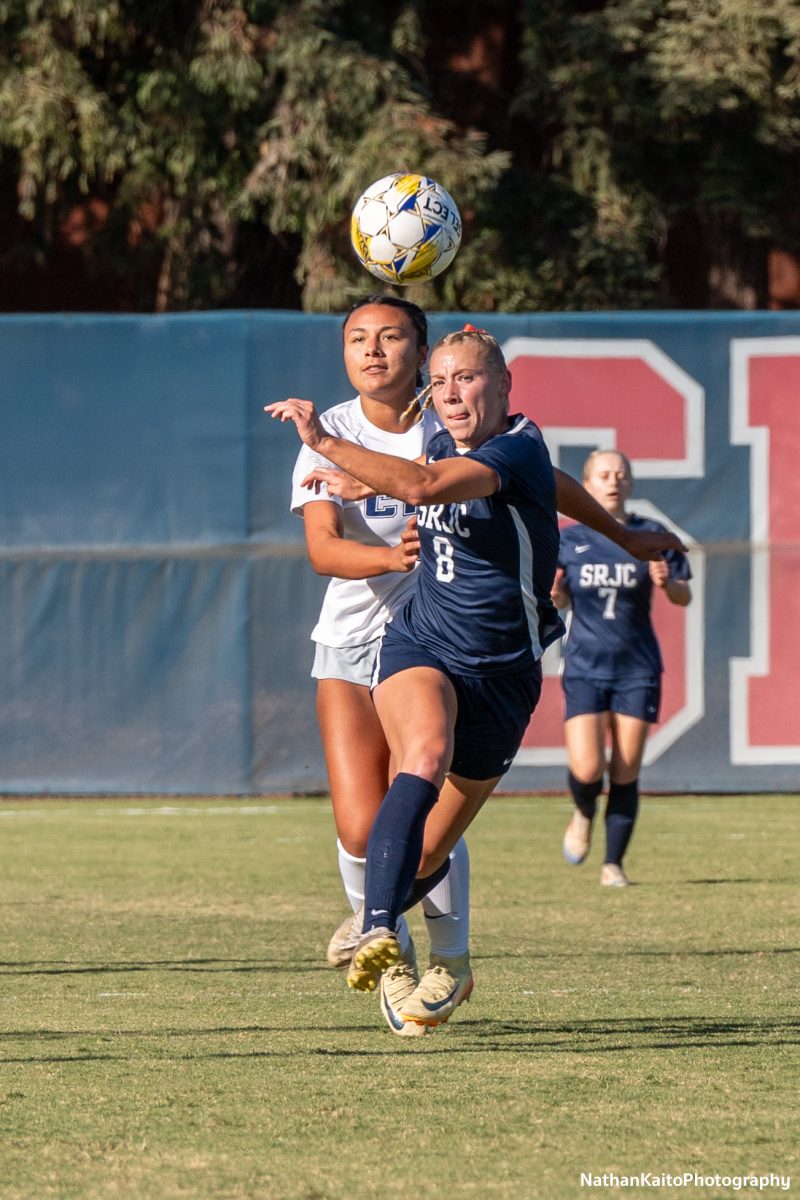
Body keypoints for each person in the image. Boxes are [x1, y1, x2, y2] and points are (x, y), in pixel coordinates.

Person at [267, 328, 686, 1028]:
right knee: (424, 754)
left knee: (430, 848)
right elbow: (439, 485)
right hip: (421, 641)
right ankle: (377, 928)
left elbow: (452, 485)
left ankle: (446, 960)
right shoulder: (444, 440)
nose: (451, 393)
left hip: (504, 671)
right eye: (442, 381)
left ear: (504, 386)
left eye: (468, 379)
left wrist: (329, 445)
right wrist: (354, 478)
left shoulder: (515, 446)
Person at [289, 293, 472, 1038]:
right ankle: (383, 929)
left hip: (431, 635)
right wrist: (386, 553)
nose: (372, 350)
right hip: (346, 641)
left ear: (420, 350)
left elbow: (477, 499)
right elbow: (322, 550)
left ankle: (442, 962)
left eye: (390, 336)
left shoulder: (450, 426)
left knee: (423, 802)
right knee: (361, 827)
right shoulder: (326, 431)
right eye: (357, 338)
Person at [552, 449, 692, 887]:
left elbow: (684, 595)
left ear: (630, 483)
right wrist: (556, 596)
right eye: (604, 475)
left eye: (621, 474)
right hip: (585, 664)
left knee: (626, 769)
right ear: (587, 484)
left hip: (637, 667)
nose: (613, 481)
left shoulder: (652, 534)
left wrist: (668, 583)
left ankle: (613, 864)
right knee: (589, 768)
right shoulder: (569, 539)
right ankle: (582, 811)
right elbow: (556, 600)